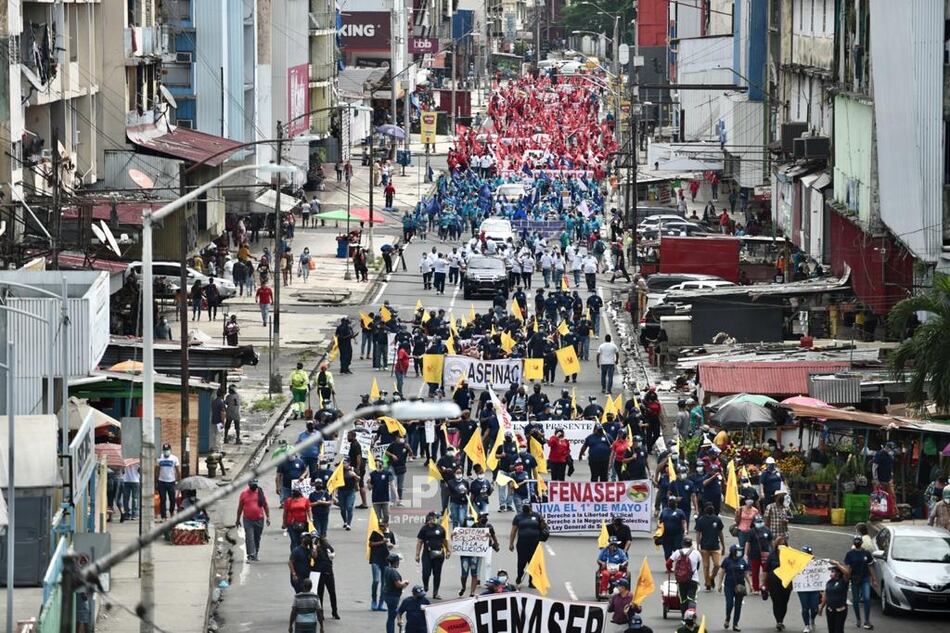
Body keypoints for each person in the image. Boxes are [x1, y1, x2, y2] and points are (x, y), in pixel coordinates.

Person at [509, 502, 544, 588]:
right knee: (522, 562)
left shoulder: (537, 516)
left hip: (534, 543)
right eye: (524, 506)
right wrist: (511, 543)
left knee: (533, 562)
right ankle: (519, 576)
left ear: (531, 507)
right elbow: (513, 531)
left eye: (527, 506)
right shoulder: (518, 517)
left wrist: (542, 520)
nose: (525, 508)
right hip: (522, 543)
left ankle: (532, 581)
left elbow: (543, 527)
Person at [843, 536, 876, 629]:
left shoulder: (866, 553)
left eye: (859, 541)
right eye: (856, 541)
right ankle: (858, 618)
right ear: (854, 543)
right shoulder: (850, 554)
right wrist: (846, 578)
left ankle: (867, 620)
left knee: (867, 598)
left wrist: (874, 579)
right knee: (856, 600)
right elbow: (848, 568)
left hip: (865, 578)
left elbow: (870, 566)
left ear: (861, 542)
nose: (857, 542)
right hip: (854, 579)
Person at [416, 511, 450, 599]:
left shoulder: (441, 528)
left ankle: (435, 592)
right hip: (427, 554)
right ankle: (426, 585)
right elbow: (419, 542)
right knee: (426, 572)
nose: (432, 520)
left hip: (439, 554)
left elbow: (444, 541)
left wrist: (448, 550)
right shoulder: (424, 529)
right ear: (427, 519)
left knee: (437, 574)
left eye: (434, 518)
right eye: (430, 518)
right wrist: (417, 555)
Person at [236, 479, 270, 562]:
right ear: (249, 485)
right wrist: (237, 519)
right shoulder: (244, 494)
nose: (254, 486)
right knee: (249, 537)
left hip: (259, 519)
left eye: (255, 484)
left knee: (257, 537)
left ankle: (255, 552)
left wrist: (268, 517)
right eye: (252, 485)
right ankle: (251, 554)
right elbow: (240, 507)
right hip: (248, 519)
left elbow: (265, 506)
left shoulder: (260, 493)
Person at [718, 544, 750, 631]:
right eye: (737, 550)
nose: (739, 552)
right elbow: (721, 572)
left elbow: (746, 574)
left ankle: (735, 624)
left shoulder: (742, 561)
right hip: (729, 586)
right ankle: (727, 618)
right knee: (729, 604)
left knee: (738, 605)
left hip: (740, 586)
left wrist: (750, 585)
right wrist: (719, 584)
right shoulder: (727, 561)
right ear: (733, 552)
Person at [694, 503, 725, 591]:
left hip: (715, 546)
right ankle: (707, 583)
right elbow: (698, 533)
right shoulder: (701, 520)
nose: (710, 508)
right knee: (706, 566)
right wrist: (697, 545)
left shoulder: (717, 519)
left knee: (717, 565)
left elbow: (720, 533)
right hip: (705, 547)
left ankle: (711, 578)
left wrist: (723, 546)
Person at [669, 536, 702, 617]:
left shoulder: (677, 552)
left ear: (682, 543)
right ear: (691, 544)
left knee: (683, 599)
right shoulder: (696, 553)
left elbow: (668, 563)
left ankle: (684, 617)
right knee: (692, 598)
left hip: (681, 580)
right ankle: (691, 616)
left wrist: (670, 569)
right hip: (693, 579)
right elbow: (698, 565)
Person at [369, 520, 397, 611]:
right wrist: (382, 542)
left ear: (387, 525)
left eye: (383, 526)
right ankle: (374, 600)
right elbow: (371, 544)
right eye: (380, 525)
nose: (381, 527)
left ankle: (381, 603)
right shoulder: (376, 533)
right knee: (376, 580)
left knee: (384, 583)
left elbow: (393, 544)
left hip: (385, 560)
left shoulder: (390, 534)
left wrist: (390, 545)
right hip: (375, 559)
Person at [819, 562, 851, 633]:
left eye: (833, 571)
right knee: (831, 630)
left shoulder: (843, 581)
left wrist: (837, 564)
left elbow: (847, 573)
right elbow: (826, 595)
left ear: (838, 573)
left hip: (840, 611)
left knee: (839, 630)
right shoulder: (829, 582)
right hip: (830, 610)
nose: (831, 573)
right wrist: (821, 607)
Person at [381, 553, 409, 633]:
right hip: (393, 597)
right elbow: (398, 585)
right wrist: (405, 583)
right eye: (398, 561)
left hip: (387, 595)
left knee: (391, 617)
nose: (399, 562)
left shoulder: (387, 569)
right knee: (391, 618)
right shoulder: (393, 572)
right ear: (396, 562)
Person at [313, 536, 339, 619]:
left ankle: (330, 612)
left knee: (326, 593)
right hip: (324, 572)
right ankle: (328, 612)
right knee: (326, 593)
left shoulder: (324, 547)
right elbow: (314, 556)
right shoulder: (320, 548)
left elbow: (332, 554)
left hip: (324, 572)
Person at [797, 546, 820, 633]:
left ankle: (812, 618)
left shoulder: (816, 563)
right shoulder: (798, 563)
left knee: (815, 608)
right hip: (802, 588)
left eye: (808, 554)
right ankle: (806, 625)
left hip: (814, 588)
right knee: (805, 607)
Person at [155, 443, 180, 520]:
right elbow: (157, 470)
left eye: (167, 450)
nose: (166, 451)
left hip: (171, 481)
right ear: (163, 450)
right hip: (161, 481)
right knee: (162, 499)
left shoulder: (174, 458)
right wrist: (155, 480)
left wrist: (179, 479)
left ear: (170, 450)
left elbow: (177, 470)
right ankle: (164, 516)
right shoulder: (159, 458)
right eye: (165, 450)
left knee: (172, 498)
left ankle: (172, 512)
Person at [332, 461, 359, 530]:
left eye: (346, 463)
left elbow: (359, 479)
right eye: (343, 463)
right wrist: (334, 495)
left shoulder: (353, 469)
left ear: (349, 463)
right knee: (343, 509)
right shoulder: (339, 471)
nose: (344, 464)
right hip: (341, 491)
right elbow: (336, 483)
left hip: (351, 491)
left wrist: (354, 475)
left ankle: (349, 524)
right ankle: (345, 521)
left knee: (349, 507)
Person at [283, 487, 311, 551]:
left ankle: (301, 554)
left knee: (301, 540)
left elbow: (308, 510)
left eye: (297, 491)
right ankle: (294, 555)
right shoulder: (288, 501)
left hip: (303, 523)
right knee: (294, 540)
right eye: (294, 491)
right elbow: (285, 512)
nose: (295, 493)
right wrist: (284, 523)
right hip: (291, 523)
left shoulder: (305, 500)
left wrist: (310, 519)